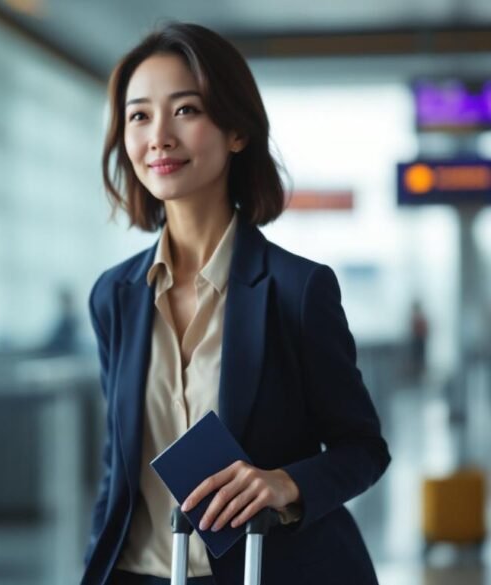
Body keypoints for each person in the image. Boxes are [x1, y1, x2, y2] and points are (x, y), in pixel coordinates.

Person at [83, 23, 390, 585]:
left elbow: (363, 449)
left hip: (269, 572)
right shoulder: (114, 296)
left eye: (186, 110)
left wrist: (286, 483)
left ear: (236, 132)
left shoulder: (297, 291)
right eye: (139, 115)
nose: (159, 137)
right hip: (139, 571)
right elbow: (117, 470)